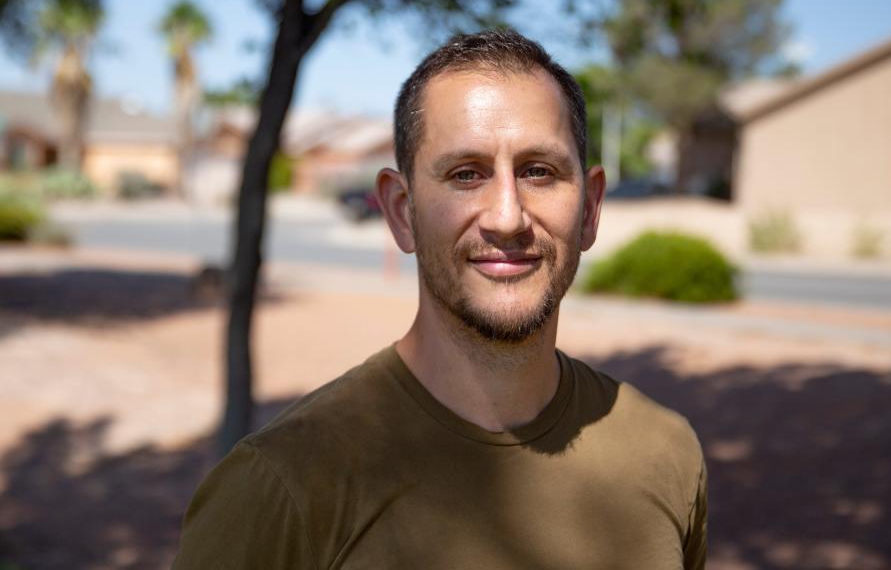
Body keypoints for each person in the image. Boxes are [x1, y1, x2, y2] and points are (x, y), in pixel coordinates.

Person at [173, 29, 707, 569]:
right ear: (402, 212)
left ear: (590, 209)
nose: (507, 216)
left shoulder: (666, 453)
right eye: (466, 174)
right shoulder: (280, 487)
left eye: (539, 171)